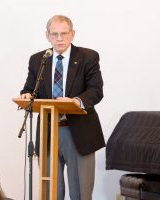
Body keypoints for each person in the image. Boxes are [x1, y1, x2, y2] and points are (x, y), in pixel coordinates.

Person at [20, 15, 105, 200]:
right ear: (47, 36)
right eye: (55, 34)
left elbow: (96, 90)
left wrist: (76, 101)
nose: (60, 38)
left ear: (72, 34)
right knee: (52, 192)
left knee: (80, 192)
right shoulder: (38, 60)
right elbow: (30, 89)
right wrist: (26, 95)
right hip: (48, 132)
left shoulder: (88, 57)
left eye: (64, 34)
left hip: (78, 132)